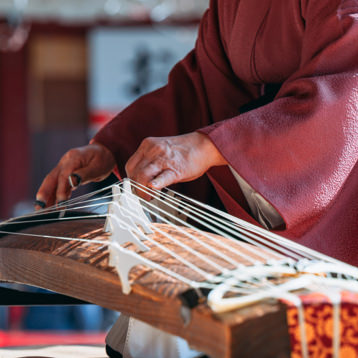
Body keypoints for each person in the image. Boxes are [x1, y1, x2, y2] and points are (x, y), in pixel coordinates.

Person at [36, 0, 358, 357]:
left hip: (320, 190)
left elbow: (346, 91)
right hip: (243, 188)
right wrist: (115, 145)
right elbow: (198, 88)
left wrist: (212, 147)